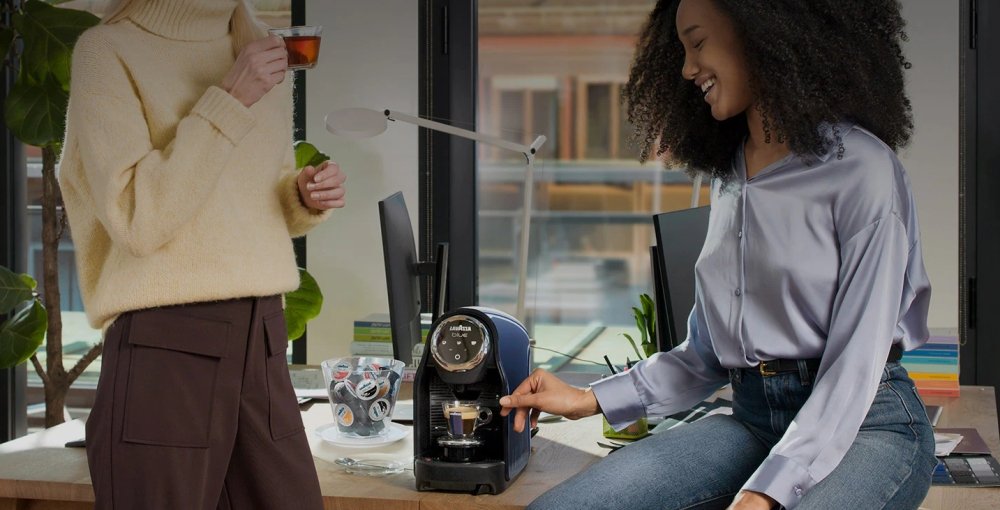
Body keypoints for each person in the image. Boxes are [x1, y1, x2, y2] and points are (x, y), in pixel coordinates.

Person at [499, 1, 937, 509]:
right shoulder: (730, 176)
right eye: (682, 50)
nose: (687, 68)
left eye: (698, 42)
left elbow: (854, 365)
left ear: (763, 32)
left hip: (867, 425)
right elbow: (705, 355)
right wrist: (587, 399)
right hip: (752, 420)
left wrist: (765, 493)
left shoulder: (863, 170)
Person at [58, 0, 344, 508]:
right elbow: (136, 219)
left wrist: (299, 195)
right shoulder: (106, 52)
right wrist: (229, 99)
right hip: (167, 343)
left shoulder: (254, 43)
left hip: (262, 338)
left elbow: (247, 196)